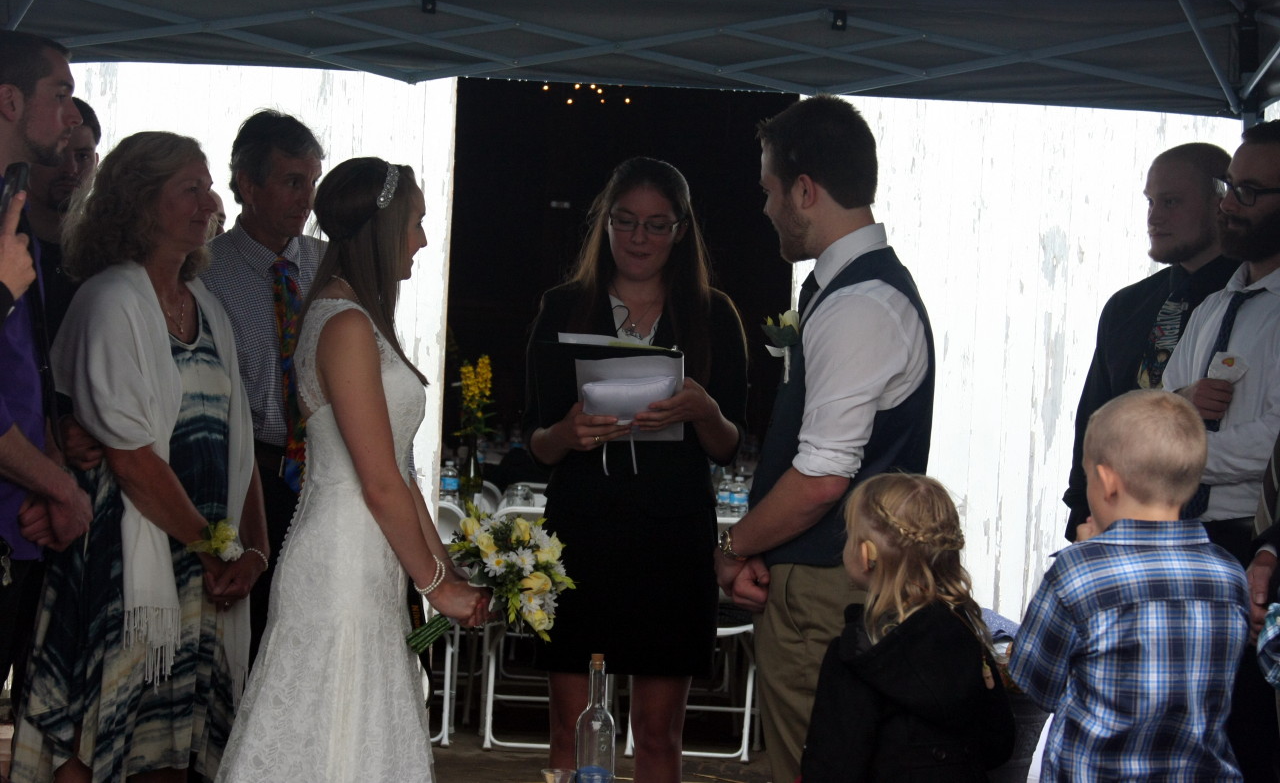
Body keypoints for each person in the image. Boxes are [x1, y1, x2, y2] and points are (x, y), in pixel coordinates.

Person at [216, 157, 488, 782]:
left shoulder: (362, 319)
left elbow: (401, 472)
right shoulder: (343, 324)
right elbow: (379, 482)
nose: (423, 239)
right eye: (416, 223)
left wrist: (445, 567)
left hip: (372, 559)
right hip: (340, 562)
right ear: (383, 228)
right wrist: (434, 586)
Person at [10, 131, 267, 783]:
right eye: (192, 188)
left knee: (172, 745)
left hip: (202, 564)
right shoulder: (111, 299)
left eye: (209, 186)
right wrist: (214, 548)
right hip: (126, 560)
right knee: (99, 736)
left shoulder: (207, 306)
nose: (212, 201)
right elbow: (132, 461)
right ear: (141, 202)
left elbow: (238, 446)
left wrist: (254, 550)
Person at [714, 94, 935, 783]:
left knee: (812, 767)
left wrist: (733, 546)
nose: (765, 208)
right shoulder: (850, 290)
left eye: (770, 190)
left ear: (805, 191)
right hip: (828, 577)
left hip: (829, 588)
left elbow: (821, 479)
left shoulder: (859, 302)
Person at [525, 156, 747, 782]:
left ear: (681, 230)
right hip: (580, 538)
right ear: (605, 224)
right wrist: (566, 433)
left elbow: (729, 446)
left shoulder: (713, 313)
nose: (639, 238)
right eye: (625, 222)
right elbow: (534, 442)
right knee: (571, 733)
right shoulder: (563, 306)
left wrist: (705, 411)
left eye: (655, 225)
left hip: (672, 543)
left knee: (657, 737)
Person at [1009, 389, 1249, 781]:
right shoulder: (1229, 574)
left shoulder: (1078, 572)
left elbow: (1036, 682)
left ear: (1107, 482)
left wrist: (1086, 553)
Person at [1162, 120, 1280, 779]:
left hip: (1252, 548)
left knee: (1247, 735)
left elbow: (1274, 449)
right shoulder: (1216, 305)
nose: (1230, 203)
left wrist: (1184, 454)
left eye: (1251, 192)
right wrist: (1181, 404)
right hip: (1187, 539)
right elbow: (1159, 411)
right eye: (1231, 185)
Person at [201, 109, 325, 662]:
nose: (307, 199)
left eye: (313, 182)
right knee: (248, 646)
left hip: (324, 480)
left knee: (314, 643)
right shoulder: (205, 272)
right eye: (293, 182)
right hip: (248, 479)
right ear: (247, 186)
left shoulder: (329, 265)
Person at [1062, 143, 1235, 540]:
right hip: (1116, 523)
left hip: (1221, 533)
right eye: (1151, 202)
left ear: (1220, 202)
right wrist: (1082, 515)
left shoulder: (1252, 302)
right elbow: (1094, 417)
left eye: (1171, 202)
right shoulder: (1127, 306)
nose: (1154, 217)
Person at [800, 473, 1014, 782]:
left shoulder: (860, 655)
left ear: (866, 555)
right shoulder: (967, 634)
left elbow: (832, 767)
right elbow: (999, 744)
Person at [0, 29, 91, 722]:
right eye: (59, 94)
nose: (71, 115)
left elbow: (21, 375)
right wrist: (62, 488)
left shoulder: (15, 209)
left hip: (17, 519)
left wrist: (47, 469)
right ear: (9, 101)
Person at [26, 96, 101, 342]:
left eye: (83, 156)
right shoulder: (9, 242)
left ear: (96, 162)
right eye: (57, 155)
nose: (70, 169)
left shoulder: (108, 248)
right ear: (27, 160)